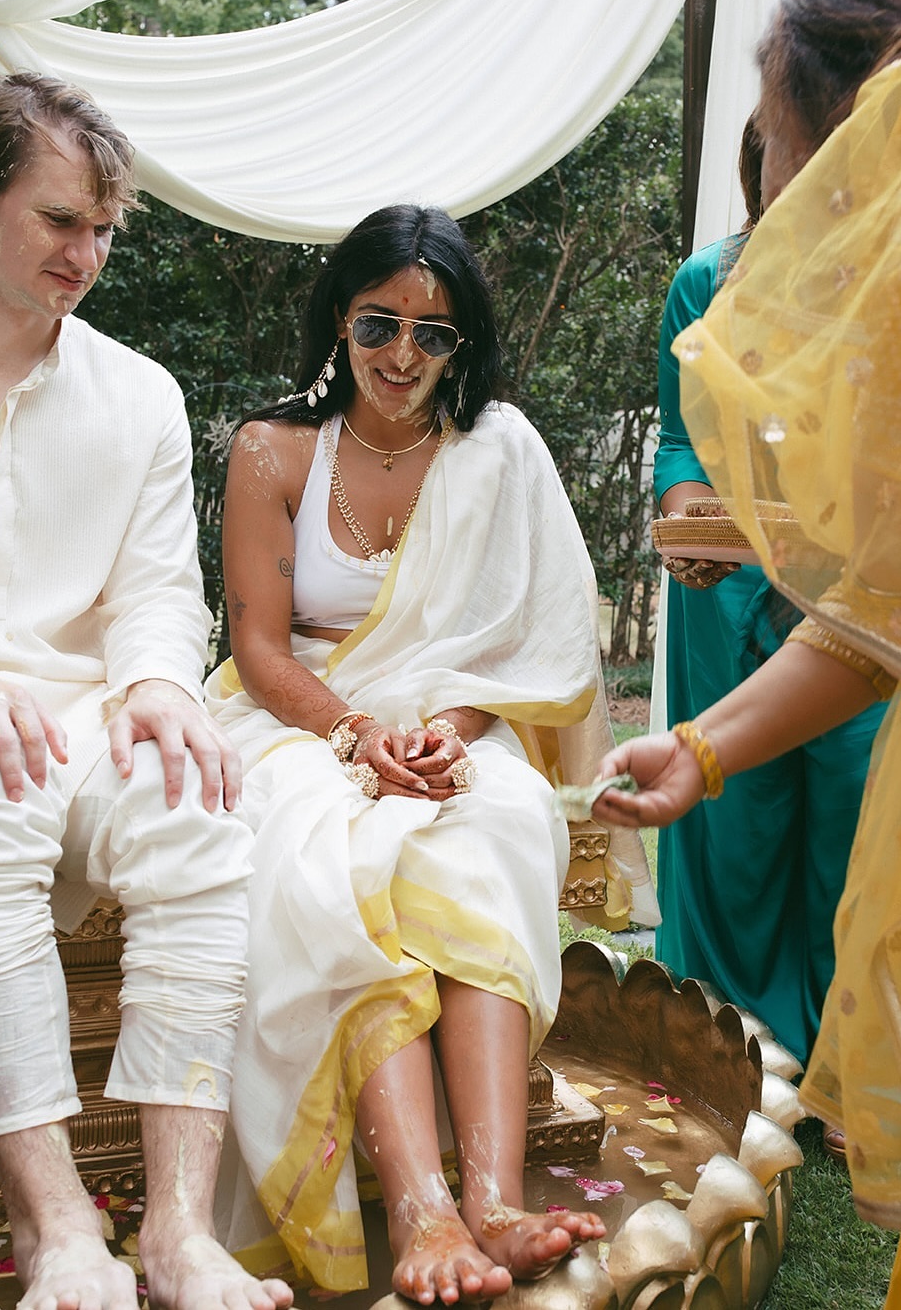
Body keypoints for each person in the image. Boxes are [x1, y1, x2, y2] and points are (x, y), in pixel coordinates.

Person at [596, 0, 901, 1305]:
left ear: (853, 131)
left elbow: (893, 588)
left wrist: (697, 748)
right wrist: (705, 750)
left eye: (780, 156)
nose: (771, 192)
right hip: (762, 619)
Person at [205, 204, 654, 1306]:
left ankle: (493, 1200)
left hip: (453, 720)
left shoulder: (495, 450)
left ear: (463, 344)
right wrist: (356, 735)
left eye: (435, 333)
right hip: (295, 718)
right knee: (323, 846)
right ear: (338, 320)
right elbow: (258, 647)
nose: (403, 355)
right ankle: (419, 1205)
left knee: (493, 821)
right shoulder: (275, 449)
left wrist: (442, 734)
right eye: (378, 324)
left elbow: (525, 647)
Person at [0, 73, 293, 1310]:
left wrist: (157, 683)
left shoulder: (141, 393)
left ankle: (177, 1234)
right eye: (57, 222)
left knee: (200, 801)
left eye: (104, 230)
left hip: (76, 715)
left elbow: (155, 588)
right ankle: (55, 1231)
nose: (85, 255)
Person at [654, 114, 885, 1119]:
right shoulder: (704, 281)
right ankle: (742, 1057)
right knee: (733, 817)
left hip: (863, 591)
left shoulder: (892, 283)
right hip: (729, 588)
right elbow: (676, 437)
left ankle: (851, 1076)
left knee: (854, 815)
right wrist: (682, 516)